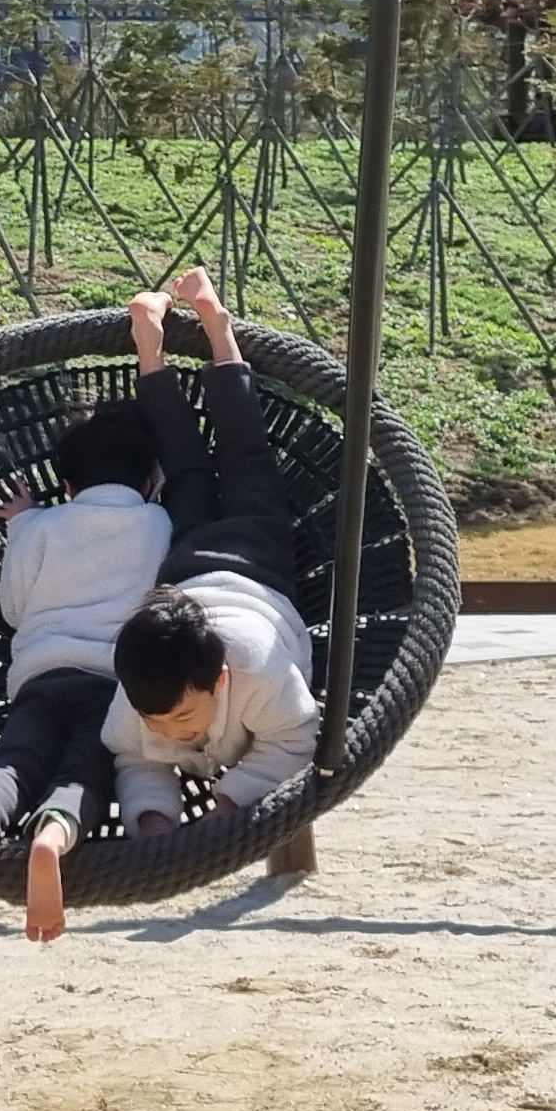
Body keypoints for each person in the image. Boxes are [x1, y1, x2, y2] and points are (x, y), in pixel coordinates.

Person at [0, 291, 177, 944]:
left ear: (67, 486)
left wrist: (24, 524)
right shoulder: (158, 524)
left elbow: (13, 608)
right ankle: (53, 837)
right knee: (84, 770)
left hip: (40, 674)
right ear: (151, 481)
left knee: (15, 760)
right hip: (112, 683)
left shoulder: (40, 527)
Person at [104, 267, 322, 836]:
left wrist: (229, 803)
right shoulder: (139, 694)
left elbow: (296, 737)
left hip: (254, 561)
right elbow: (133, 756)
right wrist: (155, 821)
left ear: (221, 680)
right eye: (155, 719)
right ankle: (151, 343)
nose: (169, 731)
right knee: (190, 468)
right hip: (193, 576)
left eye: (180, 715)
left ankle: (212, 332)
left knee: (237, 459)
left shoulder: (260, 672)